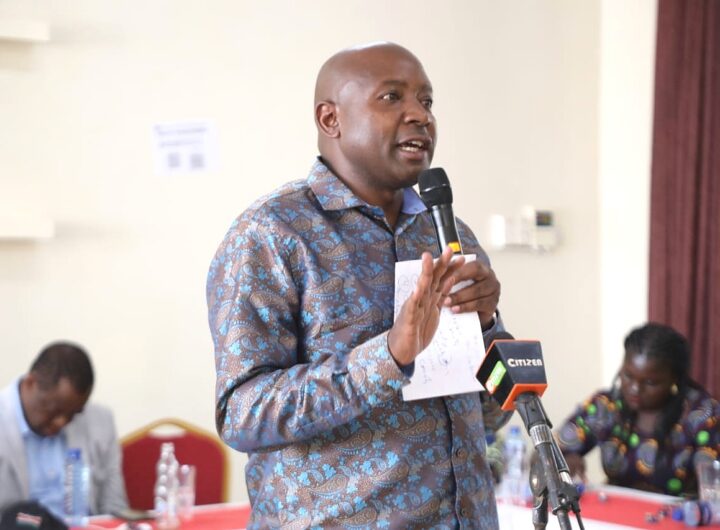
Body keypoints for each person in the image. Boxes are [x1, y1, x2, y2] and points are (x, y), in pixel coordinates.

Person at [207, 41, 509, 528]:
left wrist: (488, 326)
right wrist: (388, 356)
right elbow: (243, 415)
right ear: (331, 119)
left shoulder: (448, 233)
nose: (420, 115)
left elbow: (489, 418)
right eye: (392, 97)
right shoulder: (272, 235)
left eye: (426, 101)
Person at [555, 322, 720, 497]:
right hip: (618, 509)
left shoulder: (701, 414)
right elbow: (545, 453)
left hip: (679, 512)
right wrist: (564, 459)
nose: (634, 389)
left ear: (674, 379)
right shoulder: (605, 406)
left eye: (650, 382)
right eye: (628, 375)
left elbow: (713, 483)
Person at [0, 342, 128, 518]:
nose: (61, 422)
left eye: (73, 414)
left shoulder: (101, 421)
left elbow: (115, 509)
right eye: (53, 410)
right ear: (30, 383)